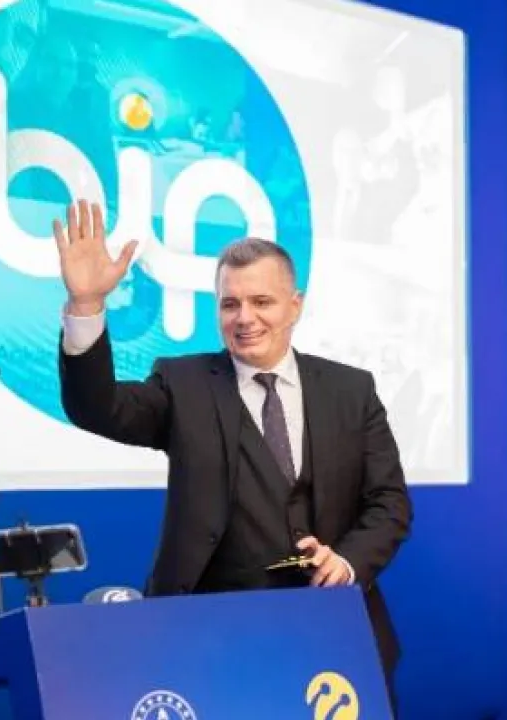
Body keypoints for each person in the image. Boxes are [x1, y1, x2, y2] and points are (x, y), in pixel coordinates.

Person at [52, 200, 412, 709]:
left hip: (336, 636)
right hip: (210, 644)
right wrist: (86, 305)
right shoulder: (183, 385)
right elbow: (97, 407)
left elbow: (389, 503)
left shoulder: (351, 391)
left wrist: (348, 562)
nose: (245, 318)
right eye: (229, 304)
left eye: (262, 301)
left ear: (295, 305)